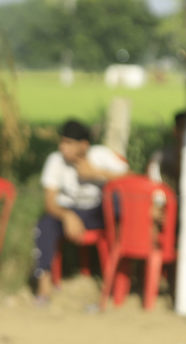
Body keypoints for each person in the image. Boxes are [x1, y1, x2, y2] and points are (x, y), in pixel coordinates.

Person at [32, 119, 129, 301]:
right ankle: (44, 282)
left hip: (96, 211)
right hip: (67, 210)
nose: (62, 147)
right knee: (44, 224)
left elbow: (131, 179)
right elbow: (49, 203)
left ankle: (121, 270)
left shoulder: (100, 155)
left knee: (116, 200)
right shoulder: (55, 160)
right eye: (61, 142)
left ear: (84, 145)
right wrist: (67, 215)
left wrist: (96, 173)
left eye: (68, 143)